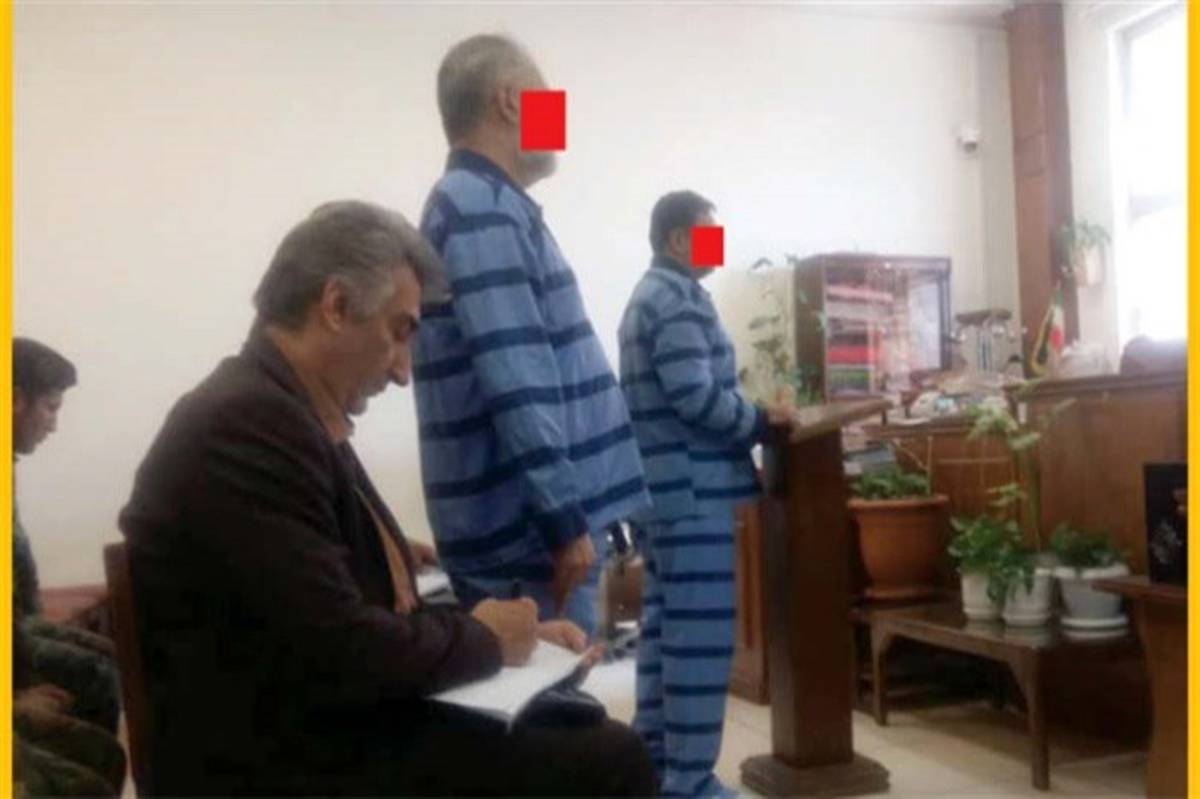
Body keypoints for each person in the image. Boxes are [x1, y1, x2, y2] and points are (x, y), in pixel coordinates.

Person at [118, 200, 656, 796]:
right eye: (399, 333)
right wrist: (486, 639)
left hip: (305, 725)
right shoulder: (248, 425)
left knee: (569, 723)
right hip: (274, 762)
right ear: (336, 306)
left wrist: (500, 641)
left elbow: (332, 617)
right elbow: (340, 649)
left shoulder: (277, 408)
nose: (403, 371)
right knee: (609, 758)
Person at [412, 34, 651, 637]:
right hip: (529, 544)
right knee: (555, 693)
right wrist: (563, 519)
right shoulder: (480, 207)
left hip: (531, 535)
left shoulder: (490, 205)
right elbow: (516, 376)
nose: (559, 118)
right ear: (510, 101)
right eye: (549, 100)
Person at [618, 191, 794, 797]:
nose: (717, 246)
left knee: (664, 637)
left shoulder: (650, 295)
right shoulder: (677, 300)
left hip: (664, 494)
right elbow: (695, 397)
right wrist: (761, 419)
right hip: (694, 495)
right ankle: (690, 783)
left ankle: (653, 768)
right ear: (677, 239)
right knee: (698, 643)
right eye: (709, 234)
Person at [13, 337, 121, 735]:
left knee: (114, 654)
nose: (54, 425)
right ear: (14, 399)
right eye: (50, 408)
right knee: (98, 675)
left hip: (19, 624)